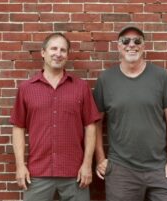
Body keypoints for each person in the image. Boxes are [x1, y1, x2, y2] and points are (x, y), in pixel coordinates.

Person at [93, 25, 167, 201]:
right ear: (118, 46)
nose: (131, 45)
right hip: (121, 170)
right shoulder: (106, 79)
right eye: (125, 41)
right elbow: (96, 123)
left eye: (137, 41)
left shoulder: (160, 76)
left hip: (159, 167)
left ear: (144, 46)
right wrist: (100, 158)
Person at [10, 33, 101, 201]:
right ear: (43, 52)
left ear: (67, 55)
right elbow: (18, 128)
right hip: (37, 174)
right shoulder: (26, 89)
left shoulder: (81, 87)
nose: (58, 53)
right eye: (54, 48)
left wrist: (87, 164)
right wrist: (20, 165)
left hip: (75, 174)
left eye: (63, 50)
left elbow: (90, 126)